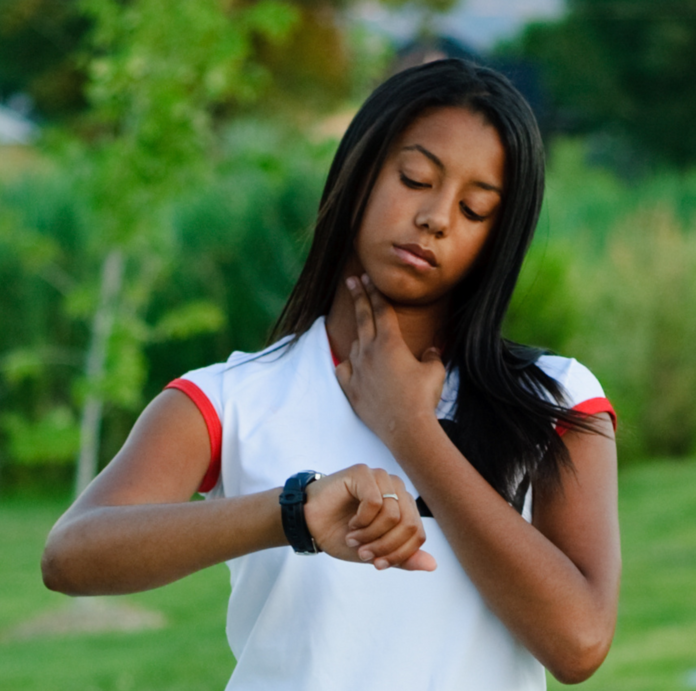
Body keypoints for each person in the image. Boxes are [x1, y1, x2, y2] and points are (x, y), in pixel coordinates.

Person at [42, 59, 620, 690]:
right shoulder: (232, 399)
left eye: (475, 210)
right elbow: (71, 555)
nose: (436, 217)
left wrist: (409, 429)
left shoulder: (557, 398)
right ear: (359, 172)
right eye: (415, 178)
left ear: (496, 240)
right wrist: (294, 512)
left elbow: (580, 642)